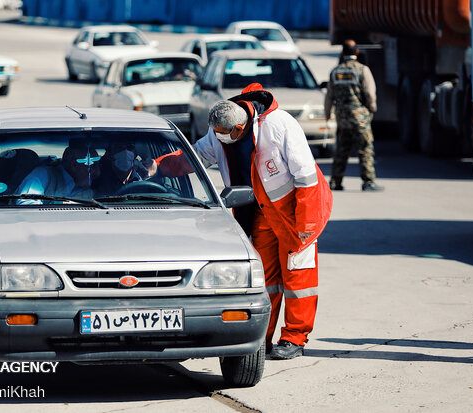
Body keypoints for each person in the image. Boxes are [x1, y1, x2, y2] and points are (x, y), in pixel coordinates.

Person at [155, 83, 333, 360]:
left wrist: (306, 225)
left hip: (295, 211)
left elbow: (306, 177)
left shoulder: (279, 125)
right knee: (266, 278)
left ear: (240, 129)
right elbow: (196, 158)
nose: (219, 139)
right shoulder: (221, 131)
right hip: (261, 212)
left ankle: (295, 338)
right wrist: (159, 165)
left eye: (225, 135)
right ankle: (263, 337)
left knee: (298, 277)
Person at [325, 39, 384, 191]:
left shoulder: (335, 71)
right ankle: (368, 182)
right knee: (365, 148)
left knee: (342, 150)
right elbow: (370, 93)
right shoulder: (362, 70)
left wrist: (327, 114)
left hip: (342, 117)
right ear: (357, 52)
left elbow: (329, 96)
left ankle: (335, 182)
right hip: (360, 118)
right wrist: (371, 109)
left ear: (343, 53)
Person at [17, 139, 101, 204]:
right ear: (74, 165)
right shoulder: (44, 175)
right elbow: (27, 204)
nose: (97, 173)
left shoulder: (89, 191)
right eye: (92, 167)